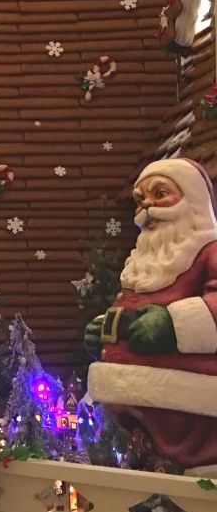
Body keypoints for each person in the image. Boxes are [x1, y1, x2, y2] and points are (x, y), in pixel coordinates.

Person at [86, 157, 217, 469]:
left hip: (196, 408)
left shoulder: (209, 250)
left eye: (160, 194)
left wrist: (175, 323)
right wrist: (106, 331)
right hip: (138, 413)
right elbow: (130, 310)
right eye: (140, 199)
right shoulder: (144, 259)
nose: (147, 206)